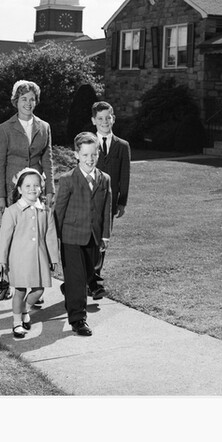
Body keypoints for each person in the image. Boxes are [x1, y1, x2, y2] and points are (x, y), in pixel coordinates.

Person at [0, 168, 60, 339]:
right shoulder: (12, 211)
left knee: (39, 289)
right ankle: (17, 322)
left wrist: (53, 257)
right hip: (18, 259)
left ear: (41, 187)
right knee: (19, 290)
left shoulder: (46, 211)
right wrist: (2, 259)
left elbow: (50, 235)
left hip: (39, 257)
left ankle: (25, 309)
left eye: (36, 185)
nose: (32, 189)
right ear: (19, 189)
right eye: (27, 186)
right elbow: (4, 238)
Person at [53, 132, 112, 337]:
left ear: (98, 154)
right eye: (85, 155)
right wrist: (54, 239)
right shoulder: (68, 179)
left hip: (93, 237)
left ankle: (69, 287)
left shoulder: (104, 179)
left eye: (93, 155)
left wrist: (105, 235)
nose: (90, 159)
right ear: (77, 155)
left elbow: (106, 209)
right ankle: (78, 319)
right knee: (77, 278)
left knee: (87, 275)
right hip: (70, 237)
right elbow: (58, 211)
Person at [88, 100, 131, 299]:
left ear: (113, 119)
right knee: (88, 239)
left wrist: (122, 202)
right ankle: (88, 278)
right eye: (100, 119)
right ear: (93, 121)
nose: (104, 121)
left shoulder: (122, 146)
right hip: (88, 201)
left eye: (108, 118)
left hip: (110, 202)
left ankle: (95, 278)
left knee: (103, 240)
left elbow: (124, 175)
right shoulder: (87, 144)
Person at [0, 80, 54, 211]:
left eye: (32, 99)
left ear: (36, 102)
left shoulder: (44, 127)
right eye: (24, 99)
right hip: (13, 190)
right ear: (16, 101)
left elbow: (47, 161)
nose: (28, 103)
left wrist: (50, 190)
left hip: (36, 189)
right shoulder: (4, 129)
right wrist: (0, 196)